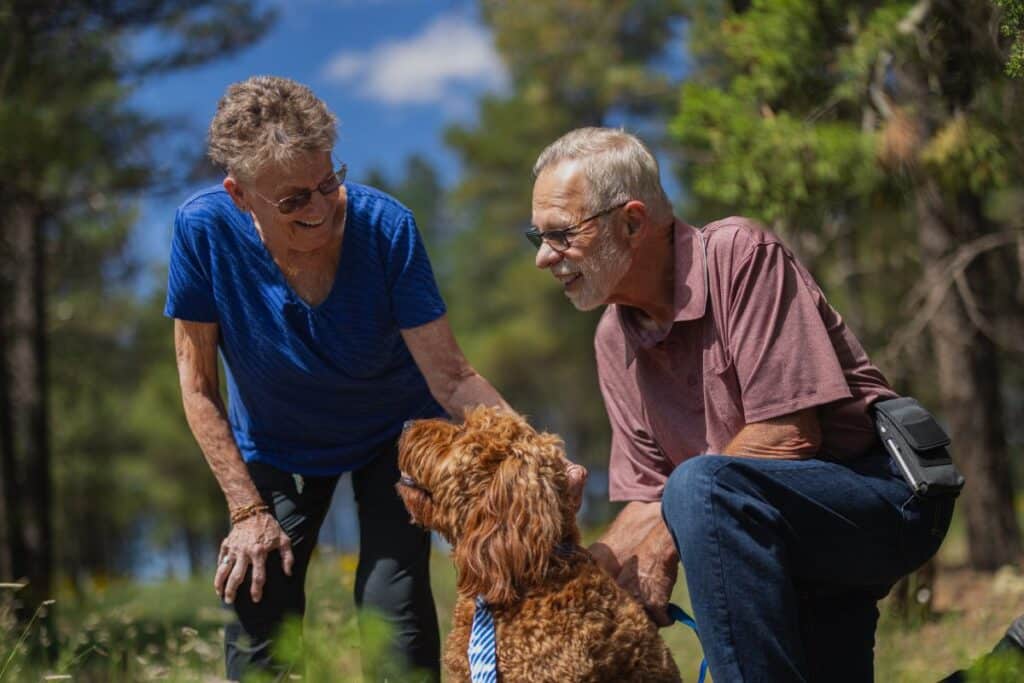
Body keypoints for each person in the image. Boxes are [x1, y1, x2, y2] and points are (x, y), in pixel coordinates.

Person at [527, 127, 956, 682]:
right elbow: (645, 501)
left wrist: (669, 532)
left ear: (632, 223)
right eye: (534, 236)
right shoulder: (613, 338)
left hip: (880, 499)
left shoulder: (739, 256)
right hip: (772, 538)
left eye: (561, 234)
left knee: (700, 486)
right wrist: (569, 582)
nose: (543, 258)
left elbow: (788, 436)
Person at [166, 75, 515, 682]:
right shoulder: (203, 232)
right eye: (294, 199)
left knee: (394, 609)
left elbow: (453, 376)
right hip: (277, 442)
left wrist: (528, 453)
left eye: (329, 182)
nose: (322, 208)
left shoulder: (386, 229)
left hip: (393, 433)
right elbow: (197, 386)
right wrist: (247, 509)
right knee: (259, 604)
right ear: (241, 195)